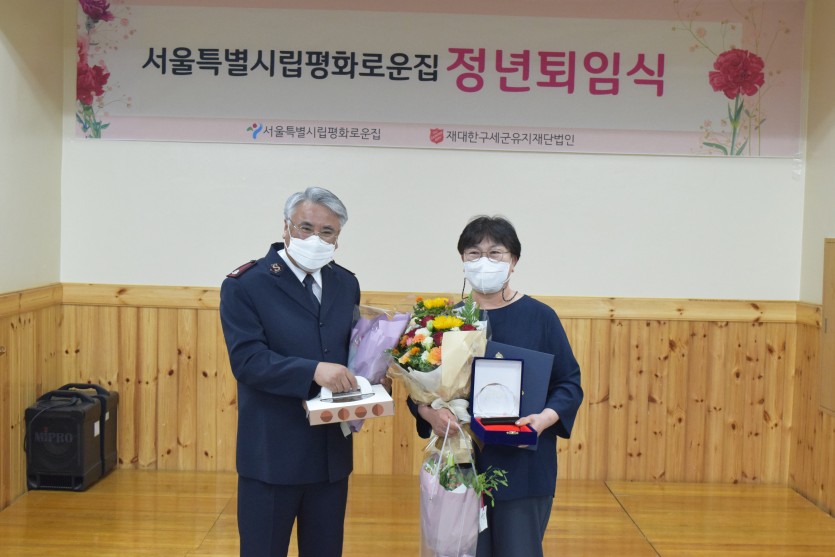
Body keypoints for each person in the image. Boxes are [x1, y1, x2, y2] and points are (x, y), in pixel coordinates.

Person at [412, 215, 584, 557]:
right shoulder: (444, 322)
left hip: (524, 466)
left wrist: (543, 420)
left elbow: (568, 384)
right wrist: (429, 414)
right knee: (462, 551)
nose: (484, 261)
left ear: (513, 261)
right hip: (460, 463)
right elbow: (418, 389)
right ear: (462, 260)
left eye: (495, 253)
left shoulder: (541, 317)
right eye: (474, 253)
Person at [220, 187, 361, 557]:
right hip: (272, 454)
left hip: (329, 454)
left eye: (327, 232)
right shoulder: (246, 284)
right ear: (286, 227)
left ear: (338, 238)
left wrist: (374, 372)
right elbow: (248, 361)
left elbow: (351, 351)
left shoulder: (346, 283)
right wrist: (313, 371)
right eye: (305, 227)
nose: (315, 239)